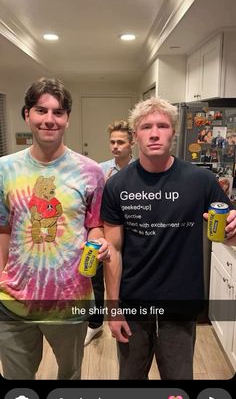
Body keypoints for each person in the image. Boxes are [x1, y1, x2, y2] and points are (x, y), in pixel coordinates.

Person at [101, 96, 236, 380]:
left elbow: (229, 235)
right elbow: (113, 250)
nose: (154, 133)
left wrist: (232, 233)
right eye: (146, 126)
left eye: (162, 126)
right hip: (133, 306)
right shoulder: (117, 185)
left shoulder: (200, 181)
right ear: (135, 135)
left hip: (180, 307)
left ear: (173, 132)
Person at [0, 77, 110, 380]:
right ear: (27, 115)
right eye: (41, 110)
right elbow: (2, 228)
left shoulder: (91, 172)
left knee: (70, 376)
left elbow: (94, 225)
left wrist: (99, 242)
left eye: (58, 112)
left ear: (67, 119)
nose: (49, 119)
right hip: (13, 301)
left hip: (69, 300)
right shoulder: (4, 169)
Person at [84, 119, 134, 345]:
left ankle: (128, 318)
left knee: (124, 277)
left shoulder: (140, 170)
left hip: (132, 233)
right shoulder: (101, 170)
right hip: (102, 231)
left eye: (121, 142)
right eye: (112, 142)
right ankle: (94, 324)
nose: (115, 146)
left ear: (131, 143)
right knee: (95, 280)